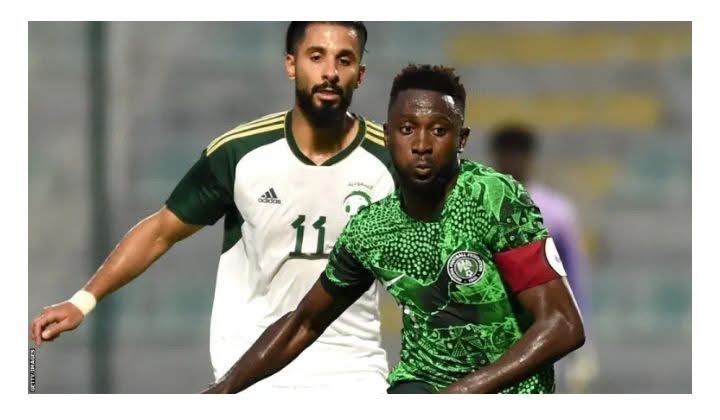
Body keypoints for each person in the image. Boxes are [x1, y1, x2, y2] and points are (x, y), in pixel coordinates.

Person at [29, 21, 396, 393]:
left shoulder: (393, 159)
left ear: (360, 74)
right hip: (252, 371)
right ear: (291, 64)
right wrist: (82, 301)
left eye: (344, 60)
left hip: (353, 371)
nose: (330, 72)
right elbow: (160, 231)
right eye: (316, 57)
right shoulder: (240, 152)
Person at [204, 64, 585, 394]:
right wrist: (220, 392)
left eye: (439, 130)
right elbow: (303, 322)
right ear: (387, 136)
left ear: (462, 140)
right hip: (419, 386)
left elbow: (563, 325)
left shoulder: (494, 199)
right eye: (407, 129)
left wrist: (461, 395)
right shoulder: (373, 229)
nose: (421, 144)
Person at [489, 123, 598, 393]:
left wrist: (583, 347)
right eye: (505, 155)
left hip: (541, 327)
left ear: (529, 158)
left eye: (517, 155)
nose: (511, 163)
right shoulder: (478, 206)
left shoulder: (557, 213)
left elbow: (573, 276)